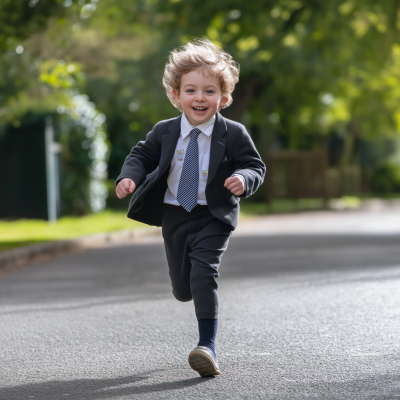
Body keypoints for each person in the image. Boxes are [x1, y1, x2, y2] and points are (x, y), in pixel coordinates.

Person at [116, 38, 265, 377]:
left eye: (209, 91)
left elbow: (255, 165)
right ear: (176, 94)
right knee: (183, 288)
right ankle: (189, 296)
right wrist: (129, 178)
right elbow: (141, 155)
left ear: (223, 98)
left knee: (204, 272)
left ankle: (206, 346)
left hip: (213, 215)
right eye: (191, 90)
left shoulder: (234, 133)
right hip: (174, 215)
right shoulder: (165, 131)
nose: (200, 98)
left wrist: (243, 178)